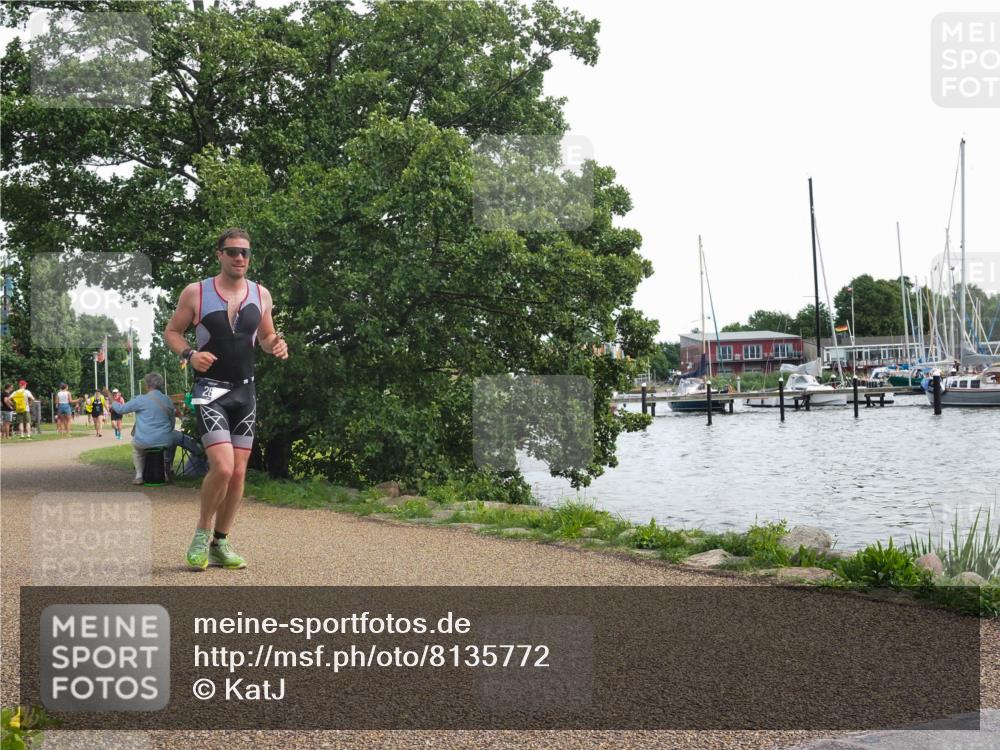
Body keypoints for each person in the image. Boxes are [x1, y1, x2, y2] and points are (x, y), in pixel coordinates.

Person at [164, 227, 289, 571]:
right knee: (222, 466)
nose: (239, 258)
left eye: (245, 252)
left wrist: (276, 344)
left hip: (245, 392)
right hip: (209, 390)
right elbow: (172, 332)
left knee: (238, 473)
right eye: (232, 251)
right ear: (219, 254)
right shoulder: (196, 292)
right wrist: (190, 354)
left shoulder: (261, 294)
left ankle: (221, 542)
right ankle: (201, 534)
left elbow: (266, 337)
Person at [110, 372, 201, 485]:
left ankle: (139, 475)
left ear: (147, 385)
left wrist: (112, 401)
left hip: (143, 440)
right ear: (161, 385)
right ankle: (167, 469)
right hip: (165, 440)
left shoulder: (140, 399)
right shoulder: (167, 400)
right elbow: (172, 422)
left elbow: (121, 410)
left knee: (137, 450)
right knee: (171, 441)